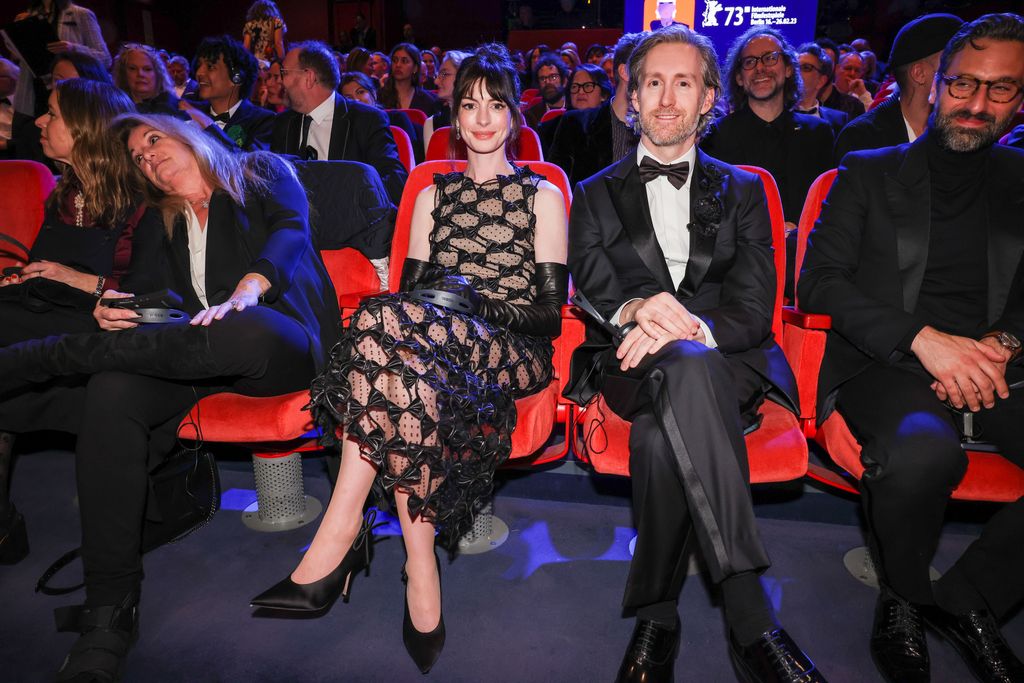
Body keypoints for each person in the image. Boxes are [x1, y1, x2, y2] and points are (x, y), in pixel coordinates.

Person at [251, 43, 569, 676]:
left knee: (380, 328)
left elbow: (548, 316)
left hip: (511, 348)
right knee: (394, 345)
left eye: (495, 104)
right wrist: (440, 311)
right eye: (469, 104)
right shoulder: (432, 194)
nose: (482, 118)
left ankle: (340, 539)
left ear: (514, 116)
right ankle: (419, 565)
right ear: (453, 114)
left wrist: (477, 304)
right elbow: (410, 297)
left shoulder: (542, 194)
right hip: (431, 345)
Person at [0, 111, 340, 681]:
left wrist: (248, 290)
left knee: (243, 328)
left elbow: (290, 231)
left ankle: (50, 360)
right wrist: (120, 309)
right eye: (138, 156)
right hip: (190, 355)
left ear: (191, 135)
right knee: (112, 390)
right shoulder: (161, 221)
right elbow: (153, 299)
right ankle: (110, 612)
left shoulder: (259, 172)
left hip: (275, 337)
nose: (148, 157)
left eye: (154, 140)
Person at [563, 26, 825, 682]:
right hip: (628, 360)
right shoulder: (594, 192)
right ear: (631, 98)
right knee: (672, 380)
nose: (668, 98)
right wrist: (631, 310)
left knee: (658, 435)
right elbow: (592, 287)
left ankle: (658, 616)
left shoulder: (743, 190)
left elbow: (751, 306)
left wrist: (684, 328)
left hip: (726, 358)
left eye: (685, 82)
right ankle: (750, 615)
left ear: (710, 96)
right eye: (653, 81)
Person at [800, 13, 1024, 683]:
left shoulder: (1021, 179)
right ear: (936, 82)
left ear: (1020, 99)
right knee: (922, 455)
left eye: (1001, 89)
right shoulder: (868, 171)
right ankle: (902, 592)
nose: (977, 103)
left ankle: (970, 599)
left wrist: (999, 344)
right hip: (889, 362)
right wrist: (926, 341)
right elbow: (819, 282)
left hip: (1000, 366)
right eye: (964, 84)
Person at [0, 78, 147, 567]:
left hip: (106, 333)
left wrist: (77, 280)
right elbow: (46, 276)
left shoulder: (142, 197)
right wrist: (21, 279)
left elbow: (150, 302)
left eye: (52, 114)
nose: (39, 121)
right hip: (47, 328)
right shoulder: (66, 196)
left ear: (86, 130)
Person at [700, 26, 834, 300]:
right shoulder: (715, 136)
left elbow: (829, 206)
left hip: (803, 265)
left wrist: (800, 229)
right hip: (736, 269)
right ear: (738, 77)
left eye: (770, 58)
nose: (760, 68)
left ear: (787, 68)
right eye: (750, 62)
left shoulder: (818, 134)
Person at [271, 41, 408, 206]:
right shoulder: (283, 124)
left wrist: (344, 195)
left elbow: (394, 183)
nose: (280, 81)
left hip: (349, 224)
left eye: (284, 73)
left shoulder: (366, 120)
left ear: (309, 78)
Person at [834, 13, 963, 163]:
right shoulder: (862, 138)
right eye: (954, 64)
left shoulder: (962, 132)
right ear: (919, 73)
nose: (965, 75)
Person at [548, 32, 643, 187]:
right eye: (650, 69)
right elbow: (558, 189)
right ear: (625, 72)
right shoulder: (575, 125)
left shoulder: (661, 128)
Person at [7, 0, 111, 117]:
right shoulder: (29, 16)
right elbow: (15, 57)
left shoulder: (81, 14)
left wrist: (73, 48)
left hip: (68, 97)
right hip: (31, 96)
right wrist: (18, 31)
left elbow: (105, 58)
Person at [179, 35, 276, 152]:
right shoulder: (188, 111)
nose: (199, 73)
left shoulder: (263, 121)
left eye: (210, 67)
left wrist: (207, 125)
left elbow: (249, 164)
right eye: (199, 66)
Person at [340, 71, 421, 162]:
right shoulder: (344, 129)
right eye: (348, 97)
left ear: (373, 93)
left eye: (360, 92)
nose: (356, 100)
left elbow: (413, 158)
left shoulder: (397, 119)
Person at [112, 43, 184, 118]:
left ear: (158, 74)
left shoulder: (172, 106)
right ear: (123, 73)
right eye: (132, 68)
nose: (140, 74)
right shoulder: (116, 107)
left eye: (147, 69)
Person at [794, 43, 849, 136]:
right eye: (795, 66)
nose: (797, 72)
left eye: (806, 68)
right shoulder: (774, 113)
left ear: (821, 81)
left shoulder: (838, 120)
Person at [423, 50, 470, 156]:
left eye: (444, 74)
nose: (436, 81)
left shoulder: (486, 121)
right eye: (438, 75)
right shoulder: (432, 124)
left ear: (464, 77)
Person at [0, 57, 46, 164]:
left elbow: (34, 138)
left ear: (14, 79)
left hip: (22, 157)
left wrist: (6, 144)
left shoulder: (32, 103)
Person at [378, 43, 440, 116]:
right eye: (394, 60)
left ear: (415, 68)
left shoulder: (429, 101)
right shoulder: (379, 97)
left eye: (404, 61)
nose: (398, 65)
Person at [525, 53, 568, 128]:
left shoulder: (574, 109)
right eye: (542, 79)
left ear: (564, 81)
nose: (548, 82)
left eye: (553, 77)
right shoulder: (531, 115)